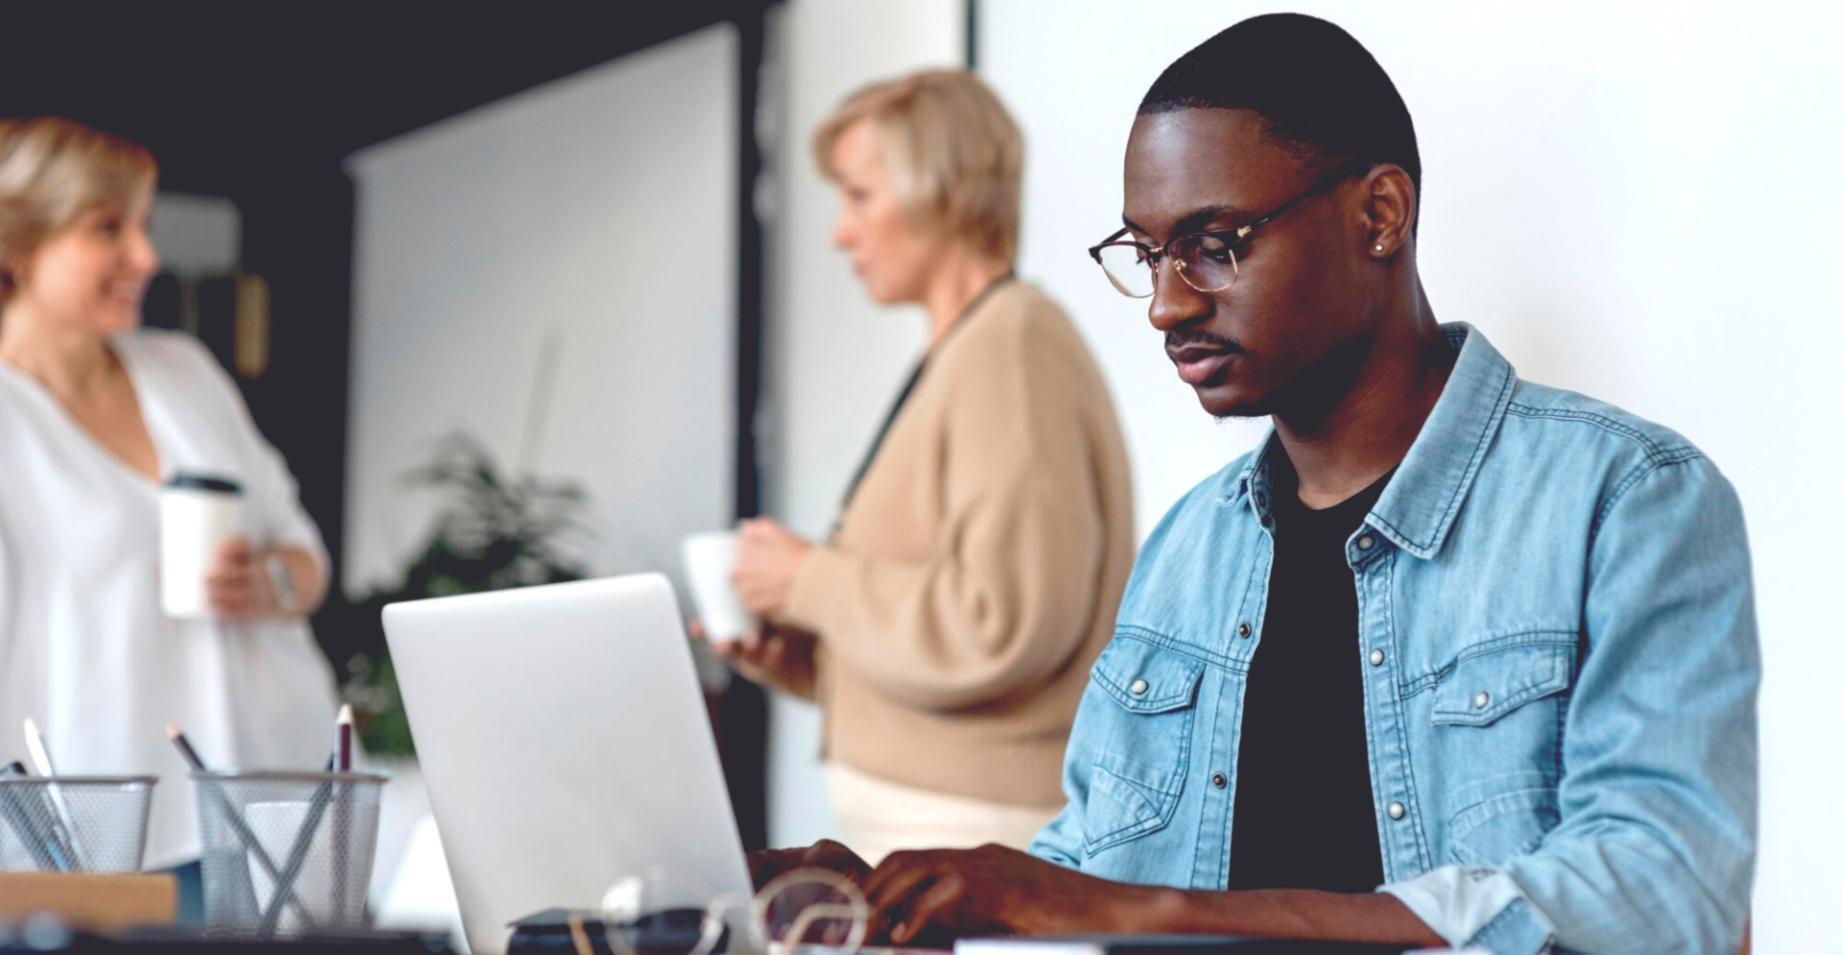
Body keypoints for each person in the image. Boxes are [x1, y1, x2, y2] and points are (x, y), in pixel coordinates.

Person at [751, 16, 1758, 955]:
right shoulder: (1192, 547)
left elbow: (1666, 887)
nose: (1163, 304)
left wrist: (1146, 908)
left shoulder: (1626, 498)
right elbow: (1093, 868)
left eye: (1213, 245)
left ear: (1380, 214)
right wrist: (894, 896)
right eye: (1146, 253)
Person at [718, 70, 1136, 864]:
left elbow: (1002, 620)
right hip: (942, 831)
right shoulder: (976, 346)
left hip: (970, 837)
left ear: (939, 189)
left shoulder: (1008, 346)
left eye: (858, 195)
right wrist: (809, 655)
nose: (841, 233)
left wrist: (810, 581)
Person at [0, 117, 338, 911]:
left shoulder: (184, 371)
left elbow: (304, 549)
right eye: (107, 228)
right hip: (100, 836)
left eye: (144, 227)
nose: (145, 257)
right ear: (18, 241)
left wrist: (272, 585)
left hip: (269, 797)